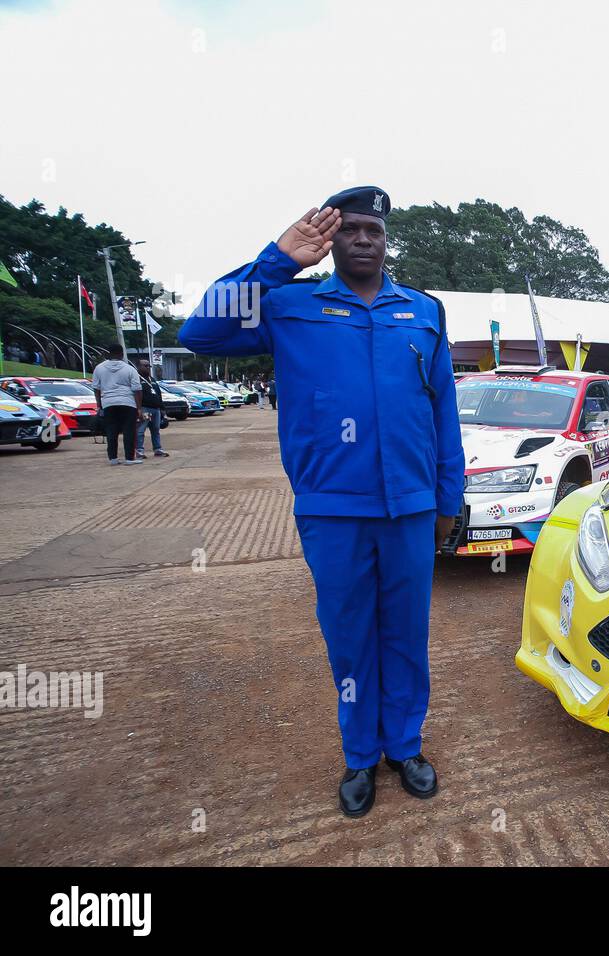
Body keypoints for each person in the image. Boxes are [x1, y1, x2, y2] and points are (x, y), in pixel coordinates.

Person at [179, 186, 465, 818]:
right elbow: (197, 331)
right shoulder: (288, 304)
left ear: (386, 241)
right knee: (349, 638)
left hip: (412, 509)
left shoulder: (423, 312)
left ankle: (405, 747)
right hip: (332, 509)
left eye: (374, 230)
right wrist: (277, 258)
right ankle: (361, 755)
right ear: (329, 240)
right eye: (350, 229)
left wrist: (450, 498)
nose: (364, 239)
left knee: (408, 635)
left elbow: (444, 412)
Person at [91, 344, 143, 465]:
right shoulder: (130, 369)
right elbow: (137, 389)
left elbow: (96, 388)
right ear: (122, 354)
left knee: (111, 430)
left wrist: (99, 405)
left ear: (108, 353)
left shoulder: (99, 368)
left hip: (108, 403)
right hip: (128, 403)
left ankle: (113, 458)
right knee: (128, 431)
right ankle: (129, 458)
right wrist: (139, 408)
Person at [133, 360, 169, 459]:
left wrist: (162, 409)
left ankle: (158, 449)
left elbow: (158, 394)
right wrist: (138, 408)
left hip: (156, 409)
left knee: (156, 430)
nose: (148, 367)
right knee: (141, 430)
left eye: (149, 366)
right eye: (145, 366)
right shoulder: (137, 379)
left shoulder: (152, 379)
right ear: (139, 367)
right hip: (145, 409)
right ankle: (139, 451)